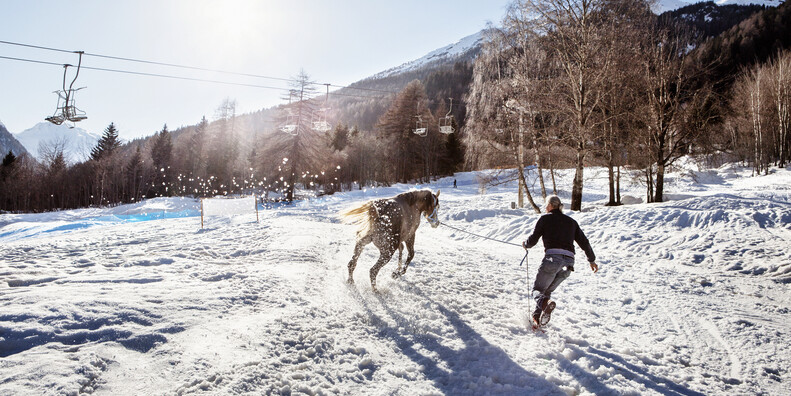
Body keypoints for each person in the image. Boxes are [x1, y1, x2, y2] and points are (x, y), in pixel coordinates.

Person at [522, 195, 598, 328]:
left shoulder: (545, 219)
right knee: (546, 292)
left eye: (546, 205)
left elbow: (533, 240)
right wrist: (592, 260)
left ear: (550, 206)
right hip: (568, 263)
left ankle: (544, 306)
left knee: (537, 290)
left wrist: (526, 244)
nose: (545, 208)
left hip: (553, 259)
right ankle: (537, 317)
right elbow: (584, 242)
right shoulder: (571, 222)